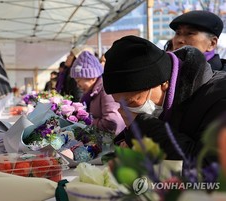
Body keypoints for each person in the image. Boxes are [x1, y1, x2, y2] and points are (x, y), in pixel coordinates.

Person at [102, 35, 226, 165]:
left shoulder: (219, 98)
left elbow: (211, 166)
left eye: (131, 102)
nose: (123, 110)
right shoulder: (167, 101)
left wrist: (141, 126)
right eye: (119, 103)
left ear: (163, 83)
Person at [70, 51, 125, 134]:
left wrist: (87, 122)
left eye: (78, 81)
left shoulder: (106, 90)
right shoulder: (91, 92)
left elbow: (112, 122)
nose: (78, 86)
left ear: (92, 77)